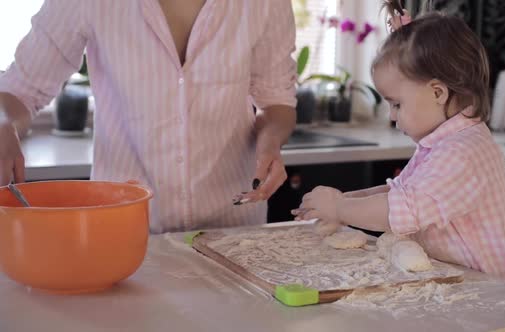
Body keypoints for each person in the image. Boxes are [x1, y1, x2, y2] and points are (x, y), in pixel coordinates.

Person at [293, 2, 505, 288]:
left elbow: (401, 211)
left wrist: (339, 208)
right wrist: (343, 201)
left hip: (501, 296)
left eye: (396, 103)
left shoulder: (463, 152)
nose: (391, 115)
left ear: (437, 92)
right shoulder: (443, 143)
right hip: (467, 287)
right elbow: (400, 192)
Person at [0, 0, 297, 233]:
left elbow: (277, 102)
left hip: (233, 233)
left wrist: (270, 140)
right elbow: (19, 91)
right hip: (124, 231)